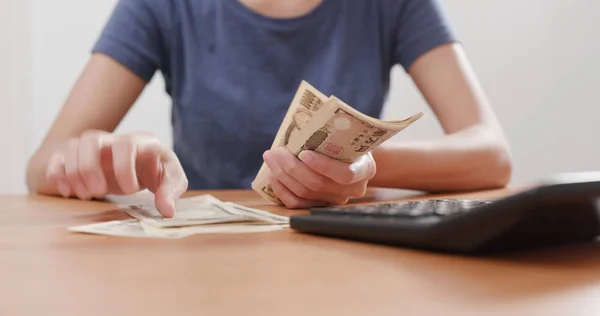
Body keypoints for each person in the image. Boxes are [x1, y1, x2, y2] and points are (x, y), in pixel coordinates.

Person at [26, 0, 512, 218]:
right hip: (208, 267)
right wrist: (103, 161)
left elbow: (491, 154)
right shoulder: (162, 6)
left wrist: (364, 168)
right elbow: (43, 165)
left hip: (344, 259)